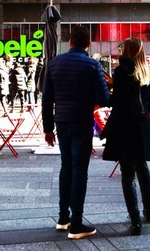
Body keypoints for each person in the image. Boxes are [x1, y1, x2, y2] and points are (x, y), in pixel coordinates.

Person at [42, 26, 110, 239]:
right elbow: (103, 99)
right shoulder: (92, 65)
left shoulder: (53, 64)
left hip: (61, 121)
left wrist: (47, 128)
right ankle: (77, 224)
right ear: (88, 44)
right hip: (81, 122)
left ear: (70, 42)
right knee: (80, 170)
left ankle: (63, 218)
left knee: (66, 166)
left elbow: (46, 99)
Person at [101, 38, 150, 236]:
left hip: (124, 126)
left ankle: (135, 220)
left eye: (122, 48)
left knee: (127, 173)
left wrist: (110, 86)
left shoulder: (122, 71)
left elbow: (116, 101)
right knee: (142, 166)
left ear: (127, 52)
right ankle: (148, 211)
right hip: (142, 126)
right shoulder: (149, 73)